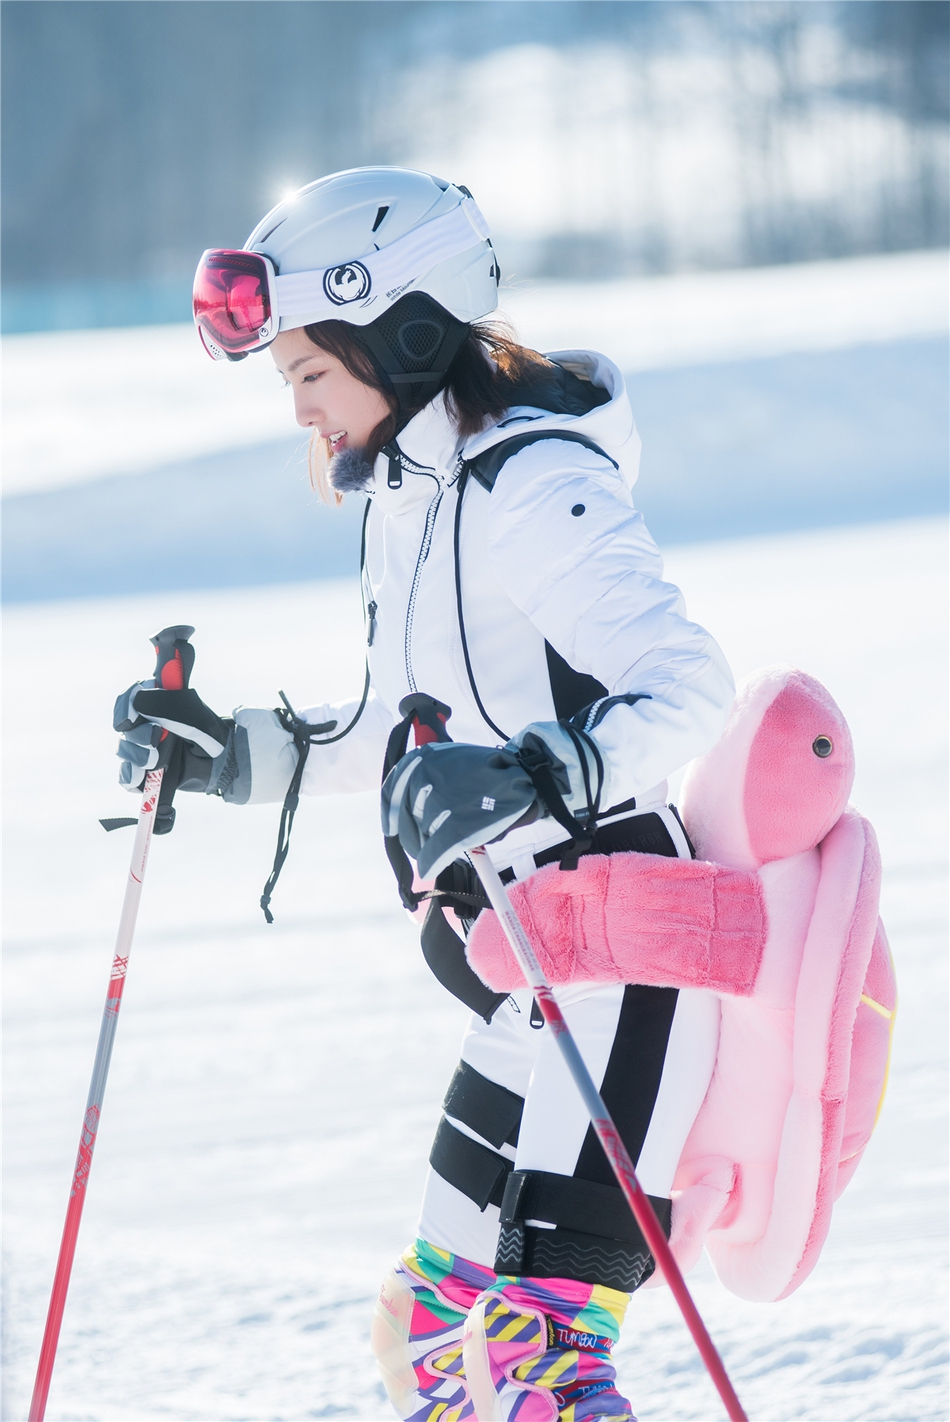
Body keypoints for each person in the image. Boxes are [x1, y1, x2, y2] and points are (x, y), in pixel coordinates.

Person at [115, 167, 735, 1420]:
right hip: (514, 965)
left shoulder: (529, 482)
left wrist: (537, 768)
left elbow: (686, 684)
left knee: (533, 1358)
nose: (299, 410)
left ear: (402, 331)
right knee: (431, 1335)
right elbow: (391, 733)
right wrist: (228, 751)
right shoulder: (410, 495)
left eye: (308, 375)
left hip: (619, 956)